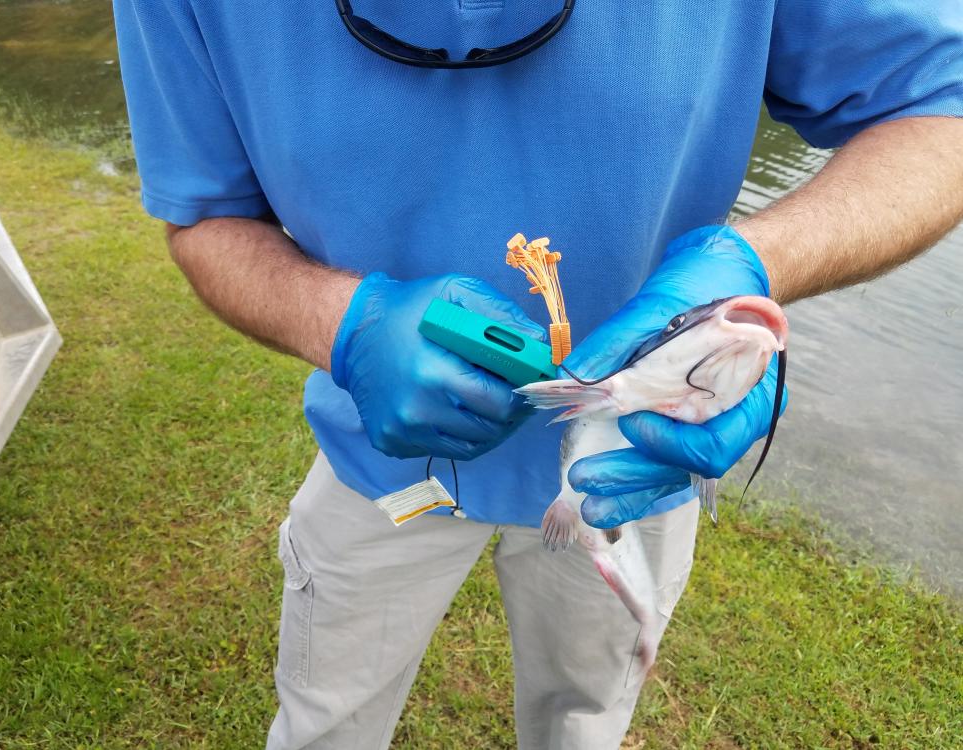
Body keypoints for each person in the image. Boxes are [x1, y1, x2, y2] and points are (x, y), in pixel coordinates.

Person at [112, 1, 963, 747]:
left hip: (633, 466)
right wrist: (345, 326)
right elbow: (208, 215)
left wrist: (753, 267)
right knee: (324, 716)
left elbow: (941, 105)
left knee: (585, 717)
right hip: (379, 458)